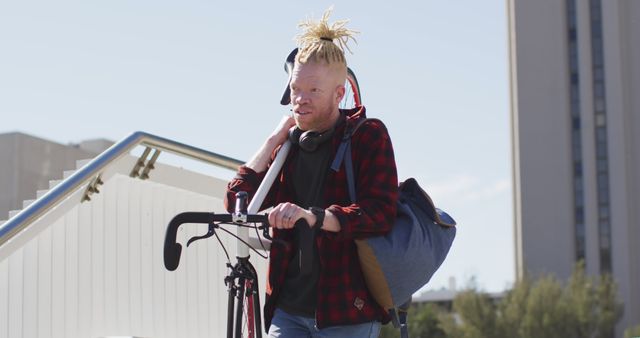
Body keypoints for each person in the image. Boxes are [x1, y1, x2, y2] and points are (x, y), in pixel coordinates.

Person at [225, 8, 398, 338]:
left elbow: (379, 214)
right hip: (288, 311)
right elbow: (238, 204)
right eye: (294, 90)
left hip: (347, 312)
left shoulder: (367, 135)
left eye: (313, 91)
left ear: (338, 93)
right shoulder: (287, 145)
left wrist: (315, 216)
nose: (300, 100)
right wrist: (272, 139)